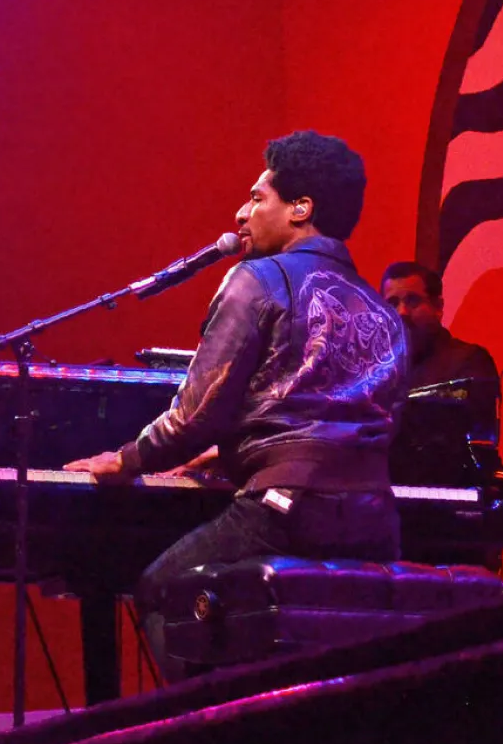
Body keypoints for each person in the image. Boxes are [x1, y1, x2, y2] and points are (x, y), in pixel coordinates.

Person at [65, 130, 410, 681]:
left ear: (301, 209)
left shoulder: (258, 278)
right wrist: (237, 453)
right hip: (376, 518)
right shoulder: (381, 308)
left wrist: (126, 458)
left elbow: (196, 413)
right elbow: (356, 418)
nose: (241, 212)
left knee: (162, 590)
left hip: (291, 509)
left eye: (257, 198)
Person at [379, 261, 499, 442]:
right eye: (393, 303)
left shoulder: (469, 361)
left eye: (413, 301)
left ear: (438, 307)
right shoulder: (376, 368)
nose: (402, 312)